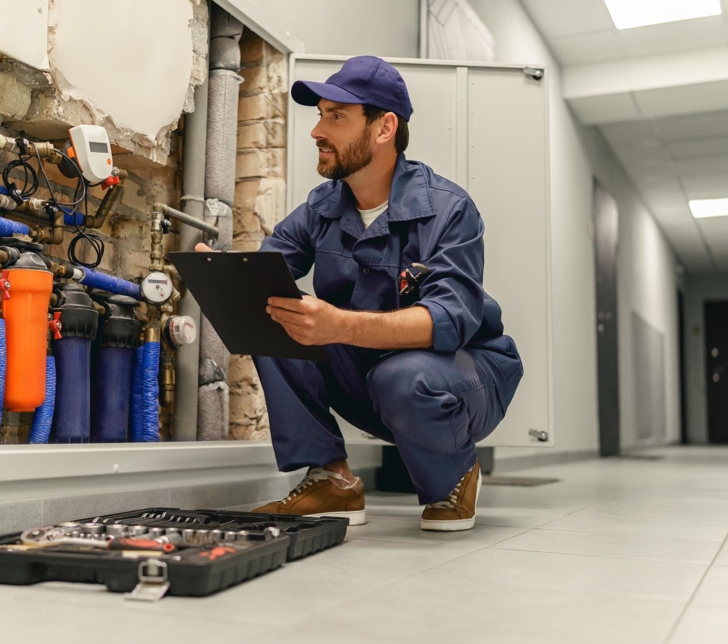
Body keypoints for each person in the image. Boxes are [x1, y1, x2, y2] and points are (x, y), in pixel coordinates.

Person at [196, 56, 521, 531]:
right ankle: (332, 479)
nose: (317, 131)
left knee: (403, 376)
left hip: (464, 375)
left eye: (337, 117)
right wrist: (226, 275)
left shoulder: (449, 210)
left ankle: (454, 478)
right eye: (320, 115)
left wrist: (340, 324)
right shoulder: (322, 207)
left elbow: (448, 319)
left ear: (384, 128)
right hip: (372, 373)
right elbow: (269, 275)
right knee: (275, 314)